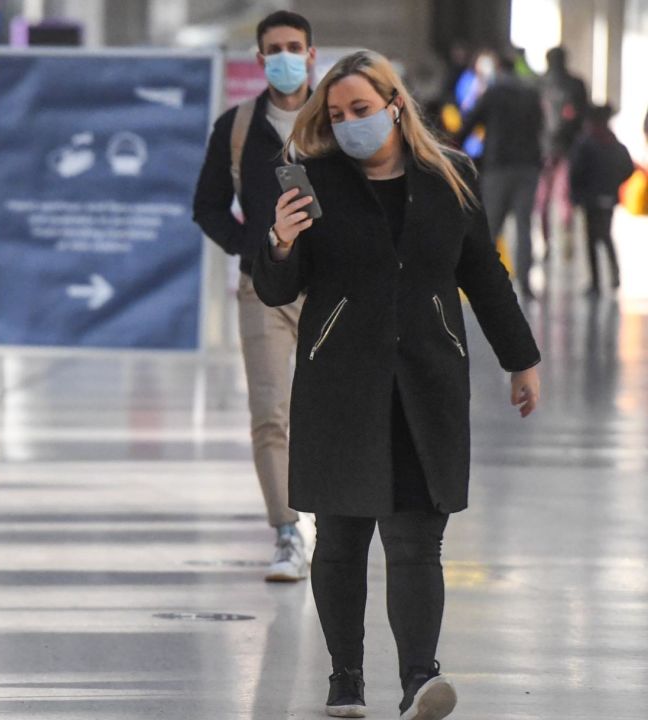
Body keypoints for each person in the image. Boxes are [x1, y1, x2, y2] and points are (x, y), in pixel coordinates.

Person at [256, 50, 541, 718]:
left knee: (417, 539)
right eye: (337, 113)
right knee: (344, 535)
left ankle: (420, 681)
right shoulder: (310, 181)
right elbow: (279, 288)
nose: (350, 122)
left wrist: (519, 358)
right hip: (340, 382)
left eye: (361, 108)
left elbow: (484, 273)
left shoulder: (451, 177)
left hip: (427, 381)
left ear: (394, 102)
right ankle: (345, 681)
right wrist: (279, 241)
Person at [193, 10, 317, 583]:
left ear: (311, 55)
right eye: (275, 48)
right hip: (261, 288)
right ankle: (287, 531)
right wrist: (251, 245)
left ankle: (335, 523)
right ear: (260, 59)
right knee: (270, 411)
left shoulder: (336, 120)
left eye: (295, 46)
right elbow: (207, 205)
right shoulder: (238, 126)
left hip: (333, 290)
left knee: (329, 410)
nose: (286, 56)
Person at [457, 49, 545, 299]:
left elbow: (470, 122)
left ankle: (484, 282)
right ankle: (526, 284)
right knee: (524, 226)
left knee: (492, 226)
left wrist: (455, 147)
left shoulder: (493, 93)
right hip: (528, 167)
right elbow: (540, 126)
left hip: (498, 167)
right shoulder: (530, 94)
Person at [568, 105, 635, 295]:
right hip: (608, 197)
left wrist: (577, 194)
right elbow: (628, 167)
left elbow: (575, 172)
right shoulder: (613, 142)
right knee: (605, 236)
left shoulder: (586, 142)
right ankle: (613, 275)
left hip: (591, 198)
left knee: (593, 239)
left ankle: (596, 282)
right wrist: (614, 183)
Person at [536, 47, 590, 259]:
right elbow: (582, 118)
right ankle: (567, 240)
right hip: (568, 148)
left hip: (543, 150)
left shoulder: (540, 84)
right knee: (564, 197)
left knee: (542, 199)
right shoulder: (576, 85)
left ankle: (547, 243)